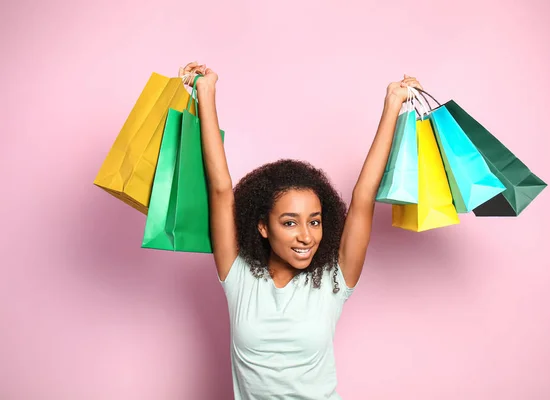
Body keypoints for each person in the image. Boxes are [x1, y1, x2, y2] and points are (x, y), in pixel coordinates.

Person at [179, 62, 422, 399]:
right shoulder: (238, 276)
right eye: (290, 222)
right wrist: (207, 94)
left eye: (315, 221)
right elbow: (220, 190)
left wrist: (392, 105)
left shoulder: (335, 281)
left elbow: (364, 195)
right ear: (263, 226)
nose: (306, 236)